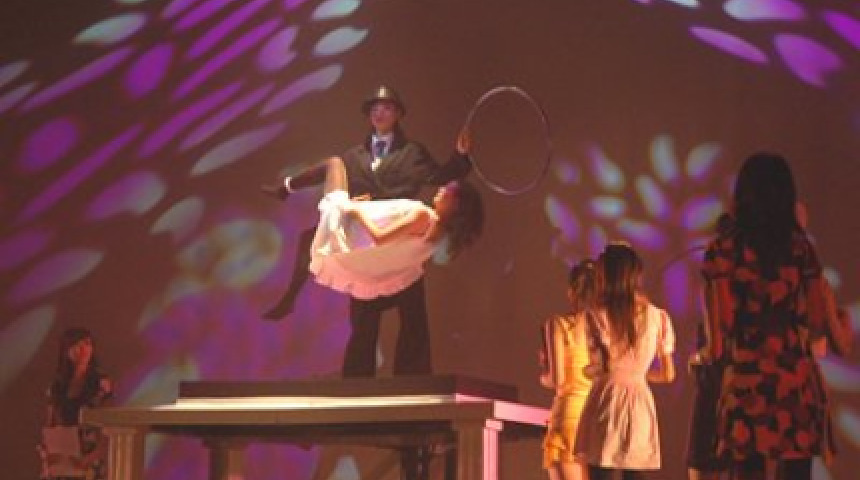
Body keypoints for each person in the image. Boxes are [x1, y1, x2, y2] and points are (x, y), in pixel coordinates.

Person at [261, 85, 473, 378]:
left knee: (412, 316)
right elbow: (341, 188)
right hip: (366, 246)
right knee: (363, 320)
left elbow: (442, 176)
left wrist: (461, 155)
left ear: (398, 114)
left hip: (398, 244)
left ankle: (412, 381)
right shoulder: (354, 156)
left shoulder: (412, 153)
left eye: (386, 107)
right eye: (374, 108)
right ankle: (357, 382)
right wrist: (356, 207)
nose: (379, 113)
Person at [700, 152, 846, 480]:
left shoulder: (723, 251)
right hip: (794, 379)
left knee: (747, 470)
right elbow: (816, 324)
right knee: (796, 471)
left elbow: (723, 326)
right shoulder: (800, 248)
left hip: (747, 377)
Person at [308, 155, 484, 300]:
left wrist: (356, 211)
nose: (442, 189)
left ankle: (291, 187)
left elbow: (380, 237)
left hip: (345, 234)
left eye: (449, 190)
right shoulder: (433, 241)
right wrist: (359, 208)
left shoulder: (424, 216)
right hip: (349, 248)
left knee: (334, 164)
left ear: (456, 205)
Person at [575, 242, 676, 480]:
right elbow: (668, 374)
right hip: (639, 402)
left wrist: (593, 372)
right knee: (635, 474)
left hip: (607, 399)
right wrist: (636, 373)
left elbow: (602, 366)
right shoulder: (658, 317)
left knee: (601, 470)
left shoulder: (595, 315)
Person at [539, 259, 599, 480]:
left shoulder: (558, 324)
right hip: (594, 417)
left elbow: (558, 380)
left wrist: (544, 373)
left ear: (571, 292)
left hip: (568, 414)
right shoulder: (604, 329)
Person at [39, 327, 112, 480]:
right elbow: (51, 423)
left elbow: (109, 424)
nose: (83, 349)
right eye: (77, 345)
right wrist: (46, 451)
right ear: (66, 351)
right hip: (62, 458)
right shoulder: (57, 386)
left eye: (87, 344)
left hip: (89, 458)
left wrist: (93, 456)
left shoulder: (100, 384)